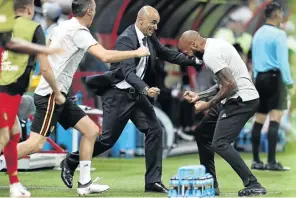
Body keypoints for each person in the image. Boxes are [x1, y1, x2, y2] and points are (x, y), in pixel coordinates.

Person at [60, 5, 202, 193]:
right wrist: (145, 89)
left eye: (157, 24)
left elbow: (165, 53)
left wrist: (195, 61)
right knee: (107, 140)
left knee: (155, 130)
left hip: (135, 95)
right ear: (140, 19)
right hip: (118, 95)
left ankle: (152, 181)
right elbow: (127, 72)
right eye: (153, 23)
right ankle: (71, 160)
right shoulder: (126, 39)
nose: (156, 28)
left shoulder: (149, 36)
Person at [15, 0, 149, 196]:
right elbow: (104, 56)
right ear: (90, 11)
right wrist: (137, 52)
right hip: (52, 95)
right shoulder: (79, 32)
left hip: (60, 94)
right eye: (94, 9)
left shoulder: (61, 26)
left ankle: (85, 184)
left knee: (91, 131)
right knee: (35, 144)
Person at [178, 30, 266, 196]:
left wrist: (207, 105)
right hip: (233, 98)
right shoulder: (215, 44)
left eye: (187, 51)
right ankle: (210, 184)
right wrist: (200, 95)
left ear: (194, 44)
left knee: (220, 143)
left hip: (241, 100)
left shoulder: (210, 54)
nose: (188, 56)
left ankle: (254, 184)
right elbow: (222, 84)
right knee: (202, 133)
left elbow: (230, 85)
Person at [0, 0, 66, 197]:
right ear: (30, 9)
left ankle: (14, 185)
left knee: (13, 132)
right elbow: (45, 68)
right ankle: (14, 185)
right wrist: (58, 91)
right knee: (5, 135)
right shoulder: (34, 28)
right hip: (7, 89)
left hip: (10, 89)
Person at [250, 2, 294, 171]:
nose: (282, 17)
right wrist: (289, 84)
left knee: (259, 119)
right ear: (277, 15)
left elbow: (254, 60)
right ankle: (271, 161)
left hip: (260, 78)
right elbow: (283, 62)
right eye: (282, 14)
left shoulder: (257, 33)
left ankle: (255, 160)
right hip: (275, 78)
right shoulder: (279, 34)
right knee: (275, 119)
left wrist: (255, 80)